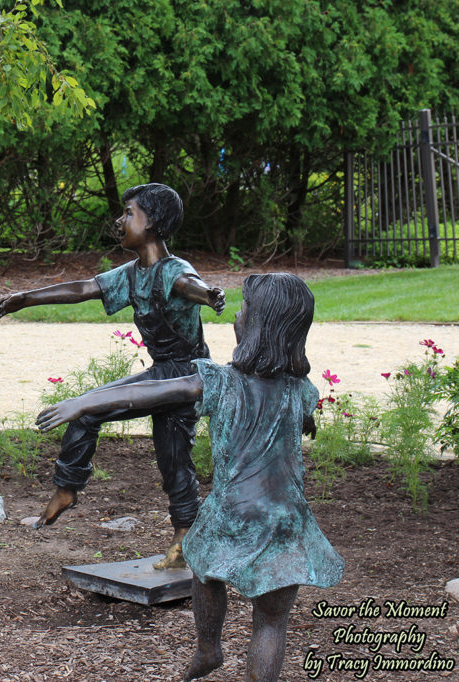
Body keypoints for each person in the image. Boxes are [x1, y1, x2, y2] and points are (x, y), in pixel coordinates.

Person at [36, 273, 344, 682]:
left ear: (257, 327)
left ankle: (208, 647)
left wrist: (85, 402)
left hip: (233, 512)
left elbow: (157, 391)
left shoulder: (222, 382)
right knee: (271, 623)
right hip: (286, 520)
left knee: (202, 565)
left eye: (244, 308)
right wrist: (308, 425)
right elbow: (304, 417)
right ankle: (217, 655)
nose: (237, 313)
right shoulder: (301, 389)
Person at [0, 183, 225, 569]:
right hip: (160, 371)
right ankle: (67, 490)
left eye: (129, 213)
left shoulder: (174, 271)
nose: (120, 220)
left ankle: (184, 537)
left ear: (154, 223)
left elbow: (189, 286)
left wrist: (209, 295)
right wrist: (25, 298)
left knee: (172, 457)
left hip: (186, 375)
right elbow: (83, 288)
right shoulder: (132, 273)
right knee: (89, 412)